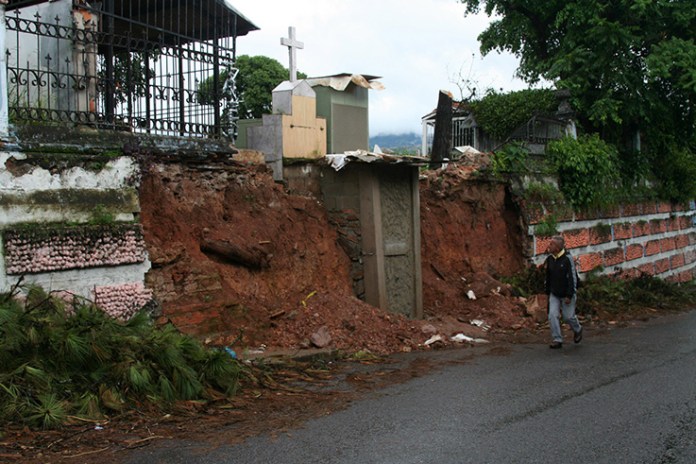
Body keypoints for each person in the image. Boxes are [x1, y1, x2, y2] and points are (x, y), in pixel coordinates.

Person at [545, 236, 582, 349]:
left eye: (551, 244)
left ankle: (578, 329)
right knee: (552, 315)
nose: (549, 246)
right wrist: (547, 291)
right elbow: (548, 276)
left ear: (557, 247)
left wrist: (570, 294)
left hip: (566, 293)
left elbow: (572, 278)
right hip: (554, 293)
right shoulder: (550, 259)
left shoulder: (567, 259)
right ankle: (557, 339)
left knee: (568, 317)